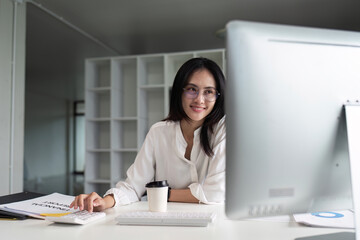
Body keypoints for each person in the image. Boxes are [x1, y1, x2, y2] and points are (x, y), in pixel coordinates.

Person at [70, 57, 226, 212]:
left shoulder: (224, 129)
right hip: (166, 223)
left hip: (211, 223)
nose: (199, 99)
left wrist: (162, 193)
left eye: (209, 92)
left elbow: (215, 192)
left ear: (218, 97)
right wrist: (104, 202)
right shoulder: (158, 132)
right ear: (179, 91)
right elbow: (133, 186)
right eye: (192, 89)